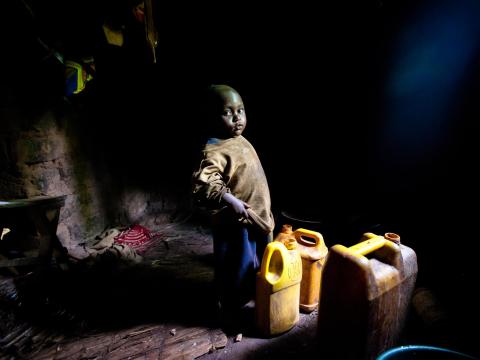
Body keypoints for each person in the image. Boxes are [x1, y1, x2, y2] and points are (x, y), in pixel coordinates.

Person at [192, 84, 275, 332]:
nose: (237, 118)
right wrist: (233, 202)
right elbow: (205, 184)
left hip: (258, 218)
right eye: (228, 112)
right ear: (211, 117)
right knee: (235, 269)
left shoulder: (240, 140)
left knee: (257, 266)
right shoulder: (213, 149)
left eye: (241, 110)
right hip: (237, 223)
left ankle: (250, 299)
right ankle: (230, 312)